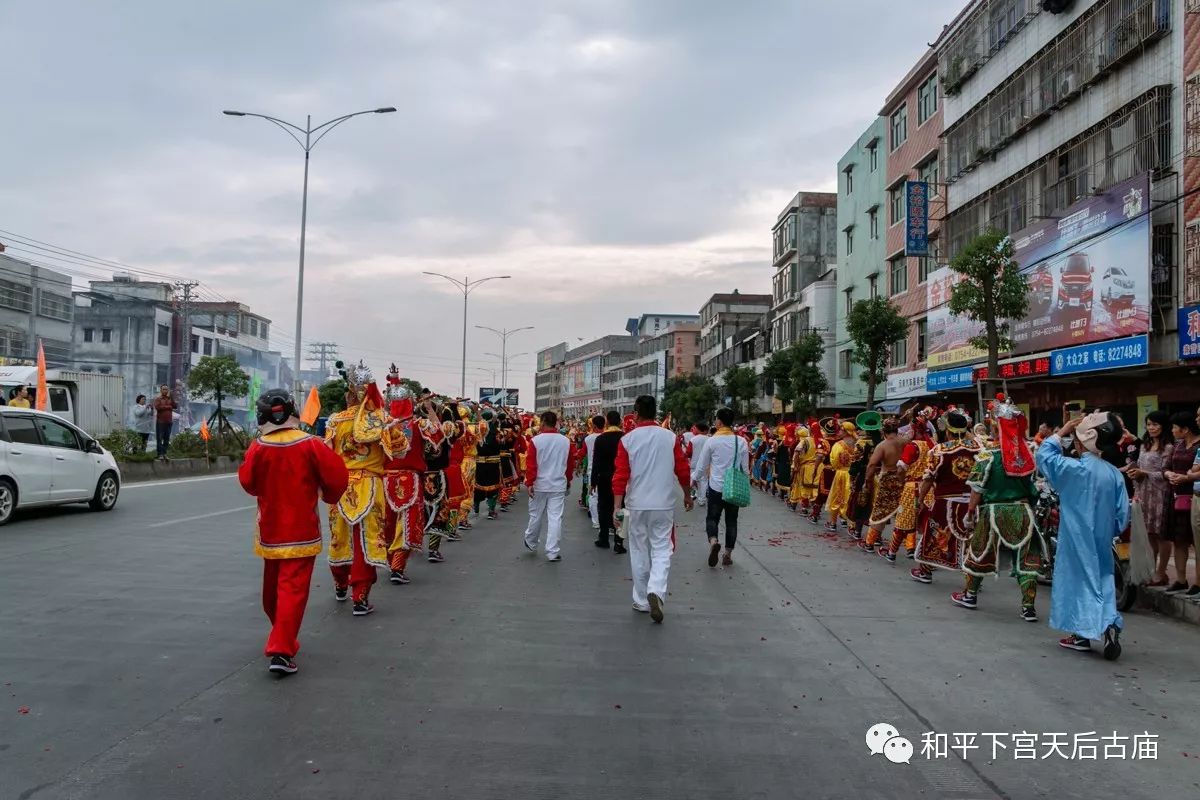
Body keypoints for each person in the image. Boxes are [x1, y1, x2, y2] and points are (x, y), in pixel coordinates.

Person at [238, 388, 349, 675]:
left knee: (272, 591)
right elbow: (336, 478)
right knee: (292, 590)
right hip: (301, 530)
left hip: (270, 530)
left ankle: (282, 635)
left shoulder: (258, 446)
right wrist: (328, 496)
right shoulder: (312, 444)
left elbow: (249, 483)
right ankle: (282, 647)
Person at [1037, 412, 1130, 659]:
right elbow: (1122, 514)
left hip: (1075, 535)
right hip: (1102, 538)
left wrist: (1061, 431)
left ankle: (1081, 634)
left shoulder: (1074, 469)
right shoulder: (1114, 474)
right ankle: (1109, 621)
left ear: (1083, 440)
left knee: (1078, 581)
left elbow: (1044, 456)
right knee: (1103, 578)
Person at [950, 396, 1043, 622]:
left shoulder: (988, 455)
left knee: (980, 552)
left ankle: (970, 594)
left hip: (993, 512)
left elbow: (977, 488)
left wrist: (970, 513)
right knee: (1027, 559)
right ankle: (1028, 607)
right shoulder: (1027, 453)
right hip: (1023, 511)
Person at [326, 362, 405, 617]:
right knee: (366, 540)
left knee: (340, 537)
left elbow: (326, 455)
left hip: (340, 485)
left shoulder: (336, 420)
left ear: (349, 392)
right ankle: (360, 596)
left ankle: (340, 584)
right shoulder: (382, 419)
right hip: (370, 484)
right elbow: (401, 449)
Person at [613, 395, 693, 623]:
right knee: (661, 549)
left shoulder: (627, 440)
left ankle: (640, 599)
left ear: (636, 413)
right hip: (663, 504)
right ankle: (656, 590)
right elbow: (683, 469)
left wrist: (617, 506)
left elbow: (620, 475)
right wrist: (687, 495)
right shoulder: (669, 438)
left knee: (638, 549)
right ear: (655, 413)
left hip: (636, 504)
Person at [380, 372, 441, 585]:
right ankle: (397, 565)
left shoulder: (381, 425)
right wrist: (430, 409)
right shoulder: (419, 424)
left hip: (385, 480)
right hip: (410, 480)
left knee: (387, 522)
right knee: (407, 523)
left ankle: (389, 561)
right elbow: (439, 433)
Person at [911, 410, 980, 584]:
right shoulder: (979, 448)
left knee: (934, 536)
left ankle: (925, 571)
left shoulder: (939, 450)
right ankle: (972, 581)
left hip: (945, 501)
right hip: (973, 501)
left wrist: (919, 501)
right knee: (971, 541)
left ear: (947, 430)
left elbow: (928, 479)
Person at [692, 407, 749, 568]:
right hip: (734, 489)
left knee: (712, 518)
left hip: (716, 487)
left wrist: (693, 479)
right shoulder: (741, 441)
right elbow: (745, 469)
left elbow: (702, 466)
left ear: (719, 422)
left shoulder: (712, 441)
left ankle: (713, 542)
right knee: (731, 521)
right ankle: (728, 555)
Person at [1126, 410, 1173, 586]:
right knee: (1149, 534)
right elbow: (1139, 465)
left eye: (1155, 424)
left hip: (1161, 494)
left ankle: (1162, 572)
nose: (1151, 428)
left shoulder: (1169, 447)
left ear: (1163, 426)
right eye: (1149, 424)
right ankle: (1151, 570)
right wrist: (1134, 472)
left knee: (1162, 534)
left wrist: (1143, 472)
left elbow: (1166, 472)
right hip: (1144, 493)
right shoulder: (1144, 445)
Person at [523, 411, 575, 561]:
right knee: (555, 518)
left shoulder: (536, 441)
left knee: (535, 514)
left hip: (539, 484)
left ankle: (531, 541)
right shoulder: (566, 441)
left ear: (543, 422)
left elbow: (531, 464)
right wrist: (569, 479)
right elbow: (570, 464)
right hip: (558, 484)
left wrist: (530, 482)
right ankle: (552, 551)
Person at [1163, 412, 1200, 595]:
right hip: (1176, 496)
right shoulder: (1177, 445)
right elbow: (1166, 467)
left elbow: (1195, 472)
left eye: (1175, 427)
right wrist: (1169, 474)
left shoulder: (1198, 446)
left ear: (1185, 429)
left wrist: (1186, 477)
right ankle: (1180, 579)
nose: (1172, 431)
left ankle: (1198, 582)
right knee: (1179, 539)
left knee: (1196, 540)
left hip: (1193, 495)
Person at [862, 418, 906, 552]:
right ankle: (909, 547)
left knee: (880, 512)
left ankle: (869, 543)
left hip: (887, 480)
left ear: (884, 431)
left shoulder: (883, 445)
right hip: (904, 479)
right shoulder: (906, 442)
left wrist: (867, 481)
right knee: (904, 513)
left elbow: (871, 465)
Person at [592, 411, 626, 552]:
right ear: (620, 422)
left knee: (603, 508)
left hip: (604, 478)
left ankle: (604, 538)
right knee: (620, 508)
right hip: (621, 478)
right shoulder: (625, 438)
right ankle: (619, 542)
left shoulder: (600, 439)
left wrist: (593, 481)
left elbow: (596, 463)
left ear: (606, 422)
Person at [824, 421, 860, 533]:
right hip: (855, 475)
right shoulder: (858, 444)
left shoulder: (838, 445)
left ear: (846, 431)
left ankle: (833, 523)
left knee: (837, 498)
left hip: (841, 474)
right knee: (851, 499)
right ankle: (851, 526)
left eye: (841, 430)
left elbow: (834, 461)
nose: (839, 431)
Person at [474, 409, 503, 520]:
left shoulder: (476, 429)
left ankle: (476, 507)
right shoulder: (496, 431)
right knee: (493, 487)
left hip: (479, 463)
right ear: (493, 418)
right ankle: (491, 511)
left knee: (478, 486)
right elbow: (500, 443)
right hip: (493, 463)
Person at [584, 414, 604, 530]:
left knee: (593, 496)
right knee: (605, 497)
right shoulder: (606, 436)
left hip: (592, 470)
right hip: (607, 470)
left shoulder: (588, 439)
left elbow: (583, 453)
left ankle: (596, 521)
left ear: (593, 425)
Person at [689, 422, 711, 507]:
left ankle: (693, 495)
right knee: (704, 481)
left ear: (698, 429)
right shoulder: (709, 439)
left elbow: (689, 453)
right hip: (706, 465)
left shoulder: (693, 440)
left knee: (693, 480)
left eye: (695, 428)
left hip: (694, 464)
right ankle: (702, 499)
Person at [152, 385, 176, 460]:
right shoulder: (158, 399)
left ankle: (165, 453)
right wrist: (168, 407)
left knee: (167, 438)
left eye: (166, 389)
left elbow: (175, 406)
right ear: (161, 390)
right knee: (159, 438)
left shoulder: (170, 399)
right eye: (163, 389)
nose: (165, 390)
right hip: (160, 422)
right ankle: (160, 454)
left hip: (169, 421)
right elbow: (157, 407)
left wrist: (172, 397)